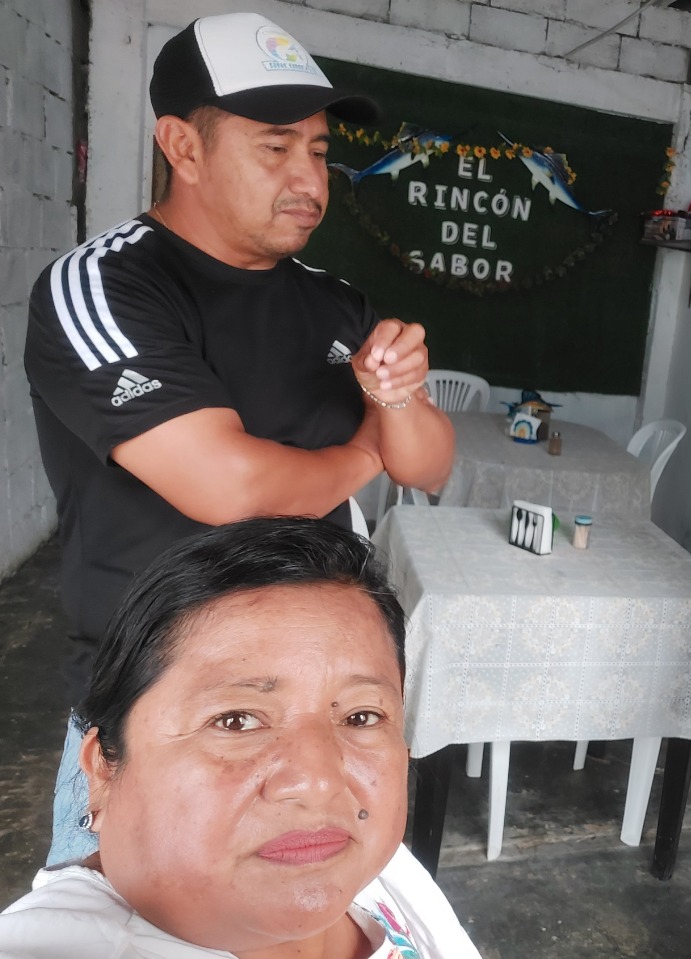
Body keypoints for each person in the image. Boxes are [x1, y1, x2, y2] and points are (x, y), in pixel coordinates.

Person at [25, 12, 454, 863]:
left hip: (319, 710)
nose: (309, 178)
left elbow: (430, 464)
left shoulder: (335, 302)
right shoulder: (105, 285)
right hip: (163, 717)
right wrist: (364, 452)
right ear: (182, 147)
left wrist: (399, 399)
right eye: (275, 147)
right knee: (128, 922)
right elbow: (229, 487)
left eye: (320, 152)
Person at [0, 517, 482, 959]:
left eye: (361, 716)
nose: (319, 783)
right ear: (103, 770)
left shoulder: (365, 861)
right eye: (236, 721)